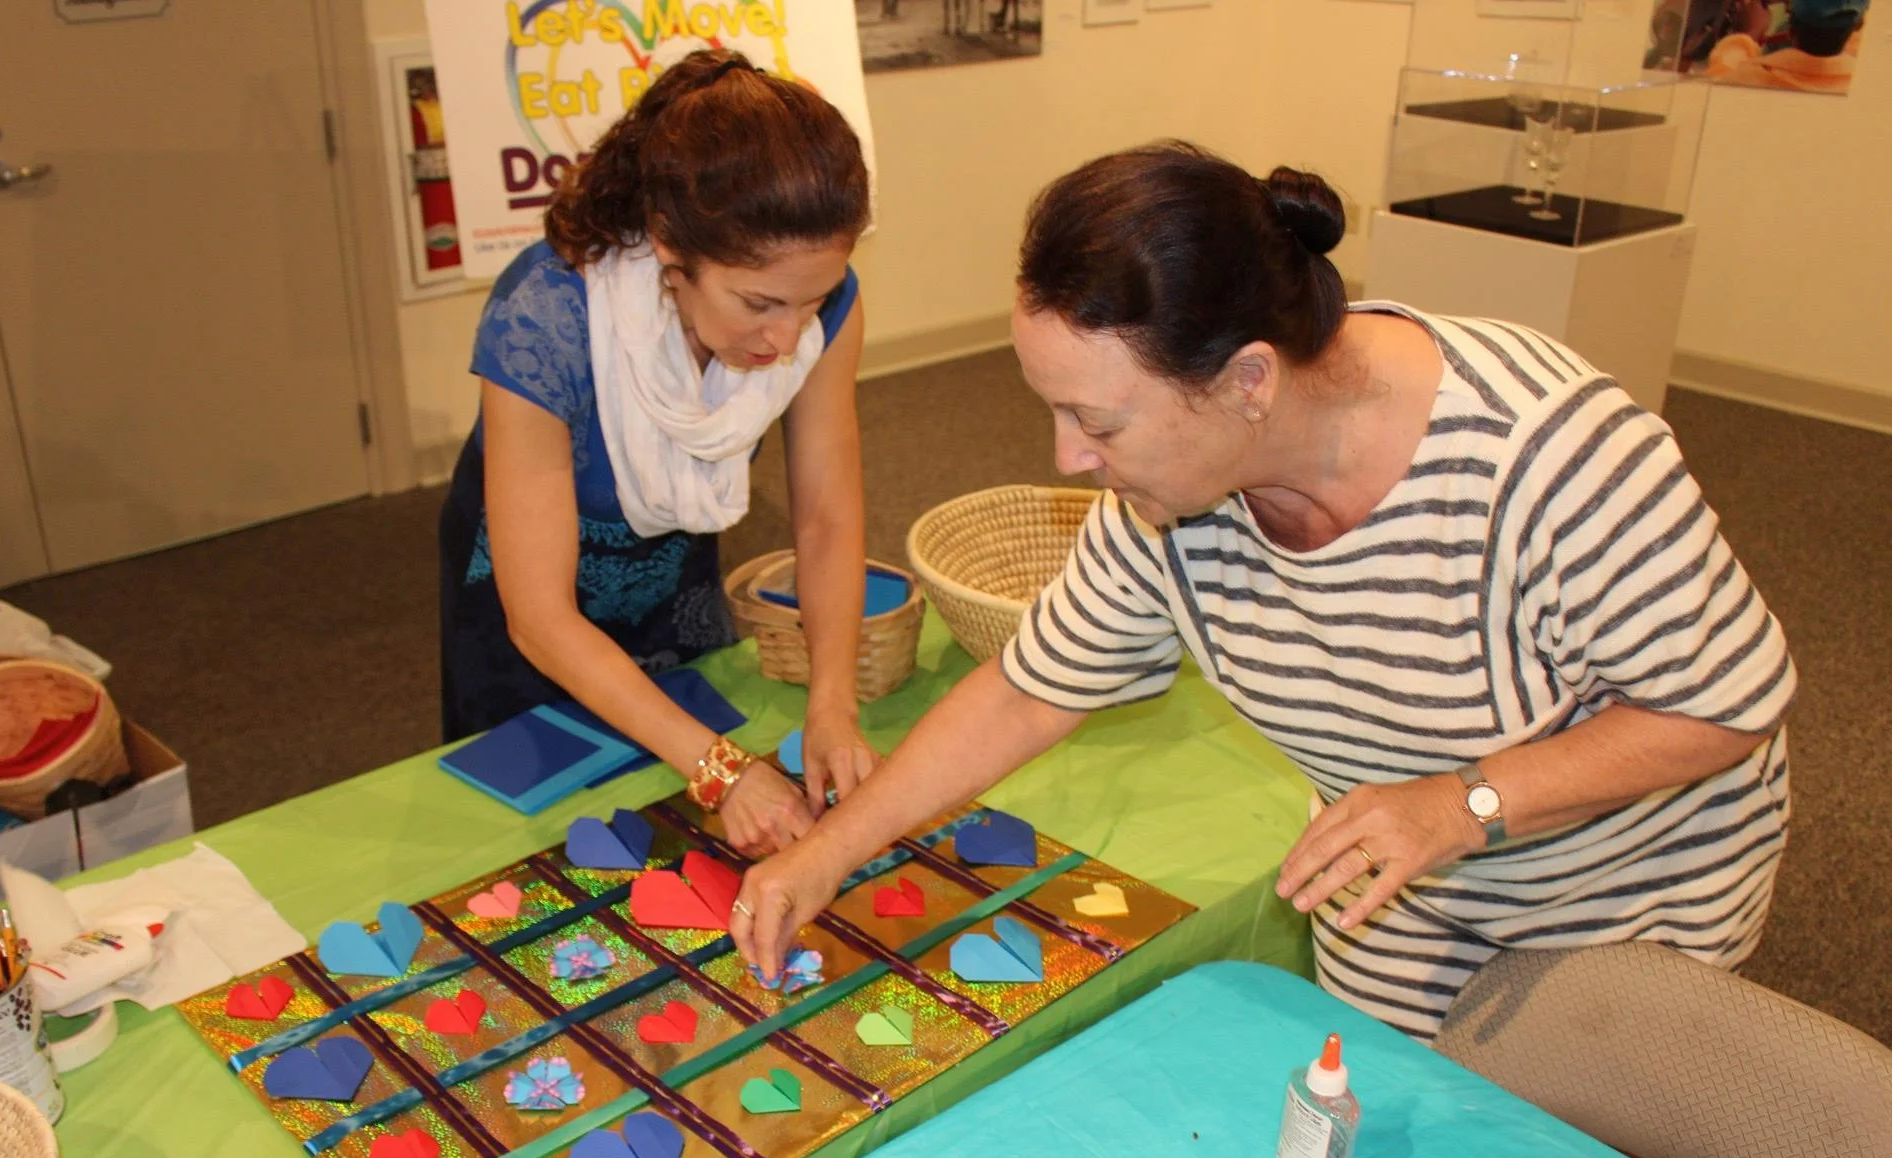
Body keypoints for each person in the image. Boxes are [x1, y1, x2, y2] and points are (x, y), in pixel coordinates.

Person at [733, 143, 1797, 1041]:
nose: (1066, 457)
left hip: (1624, 905)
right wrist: (829, 848)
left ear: (1247, 380)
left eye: (1097, 422)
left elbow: (1720, 708)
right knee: (1378, 1139)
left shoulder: (1551, 455)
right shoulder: (1169, 496)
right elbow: (1027, 691)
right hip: (1400, 882)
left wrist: (1463, 804)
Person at [439, 49, 878, 855]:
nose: (787, 339)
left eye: (810, 302)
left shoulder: (821, 308)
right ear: (672, 254)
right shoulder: (545, 321)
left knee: (671, 836)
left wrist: (832, 704)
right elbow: (538, 616)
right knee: (537, 839)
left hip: (671, 570)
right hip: (531, 613)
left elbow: (823, 516)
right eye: (759, 303)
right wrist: (717, 767)